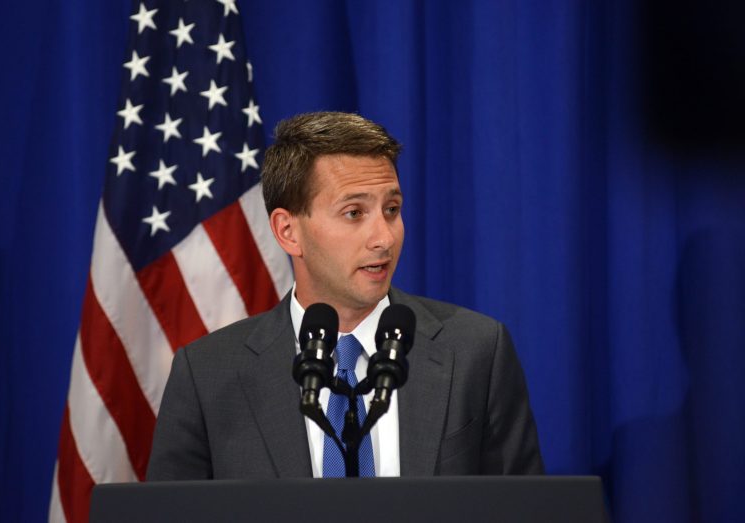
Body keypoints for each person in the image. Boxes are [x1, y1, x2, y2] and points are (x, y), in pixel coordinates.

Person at [147, 112, 544, 480]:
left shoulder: (476, 351)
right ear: (288, 231)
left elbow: (524, 512)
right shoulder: (208, 376)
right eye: (354, 213)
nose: (384, 238)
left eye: (391, 209)